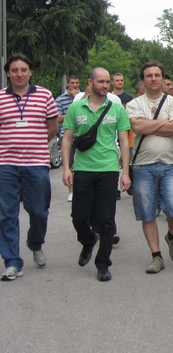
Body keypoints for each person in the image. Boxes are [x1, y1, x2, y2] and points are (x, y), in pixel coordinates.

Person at [62, 68, 130, 282]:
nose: (105, 85)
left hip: (108, 169)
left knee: (106, 219)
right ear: (89, 82)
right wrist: (66, 168)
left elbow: (125, 140)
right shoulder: (76, 107)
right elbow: (66, 139)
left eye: (107, 82)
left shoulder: (116, 108)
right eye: (100, 81)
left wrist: (125, 171)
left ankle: (103, 263)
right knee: (79, 217)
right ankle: (88, 240)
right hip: (82, 168)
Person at [0, 54, 58, 281]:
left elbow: (52, 127)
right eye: (14, 70)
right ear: (7, 73)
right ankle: (12, 262)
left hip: (36, 163)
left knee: (38, 210)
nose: (19, 74)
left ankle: (35, 243)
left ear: (30, 72)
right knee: (7, 214)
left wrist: (34, 144)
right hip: (6, 164)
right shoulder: (1, 98)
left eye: (23, 69)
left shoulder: (44, 95)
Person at [127, 61, 173, 273]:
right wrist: (163, 122)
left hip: (170, 164)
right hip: (142, 165)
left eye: (157, 75)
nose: (153, 79)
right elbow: (137, 127)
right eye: (149, 75)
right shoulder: (134, 103)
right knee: (148, 212)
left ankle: (171, 236)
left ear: (162, 79)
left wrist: (149, 125)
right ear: (143, 80)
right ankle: (156, 256)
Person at [56, 74, 80, 202]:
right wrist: (73, 115)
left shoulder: (83, 97)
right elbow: (58, 117)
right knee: (69, 164)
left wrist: (76, 98)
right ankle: (71, 191)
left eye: (76, 83)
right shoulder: (60, 99)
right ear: (67, 84)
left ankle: (81, 189)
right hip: (67, 136)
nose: (74, 86)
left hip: (81, 136)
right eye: (72, 83)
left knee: (81, 165)